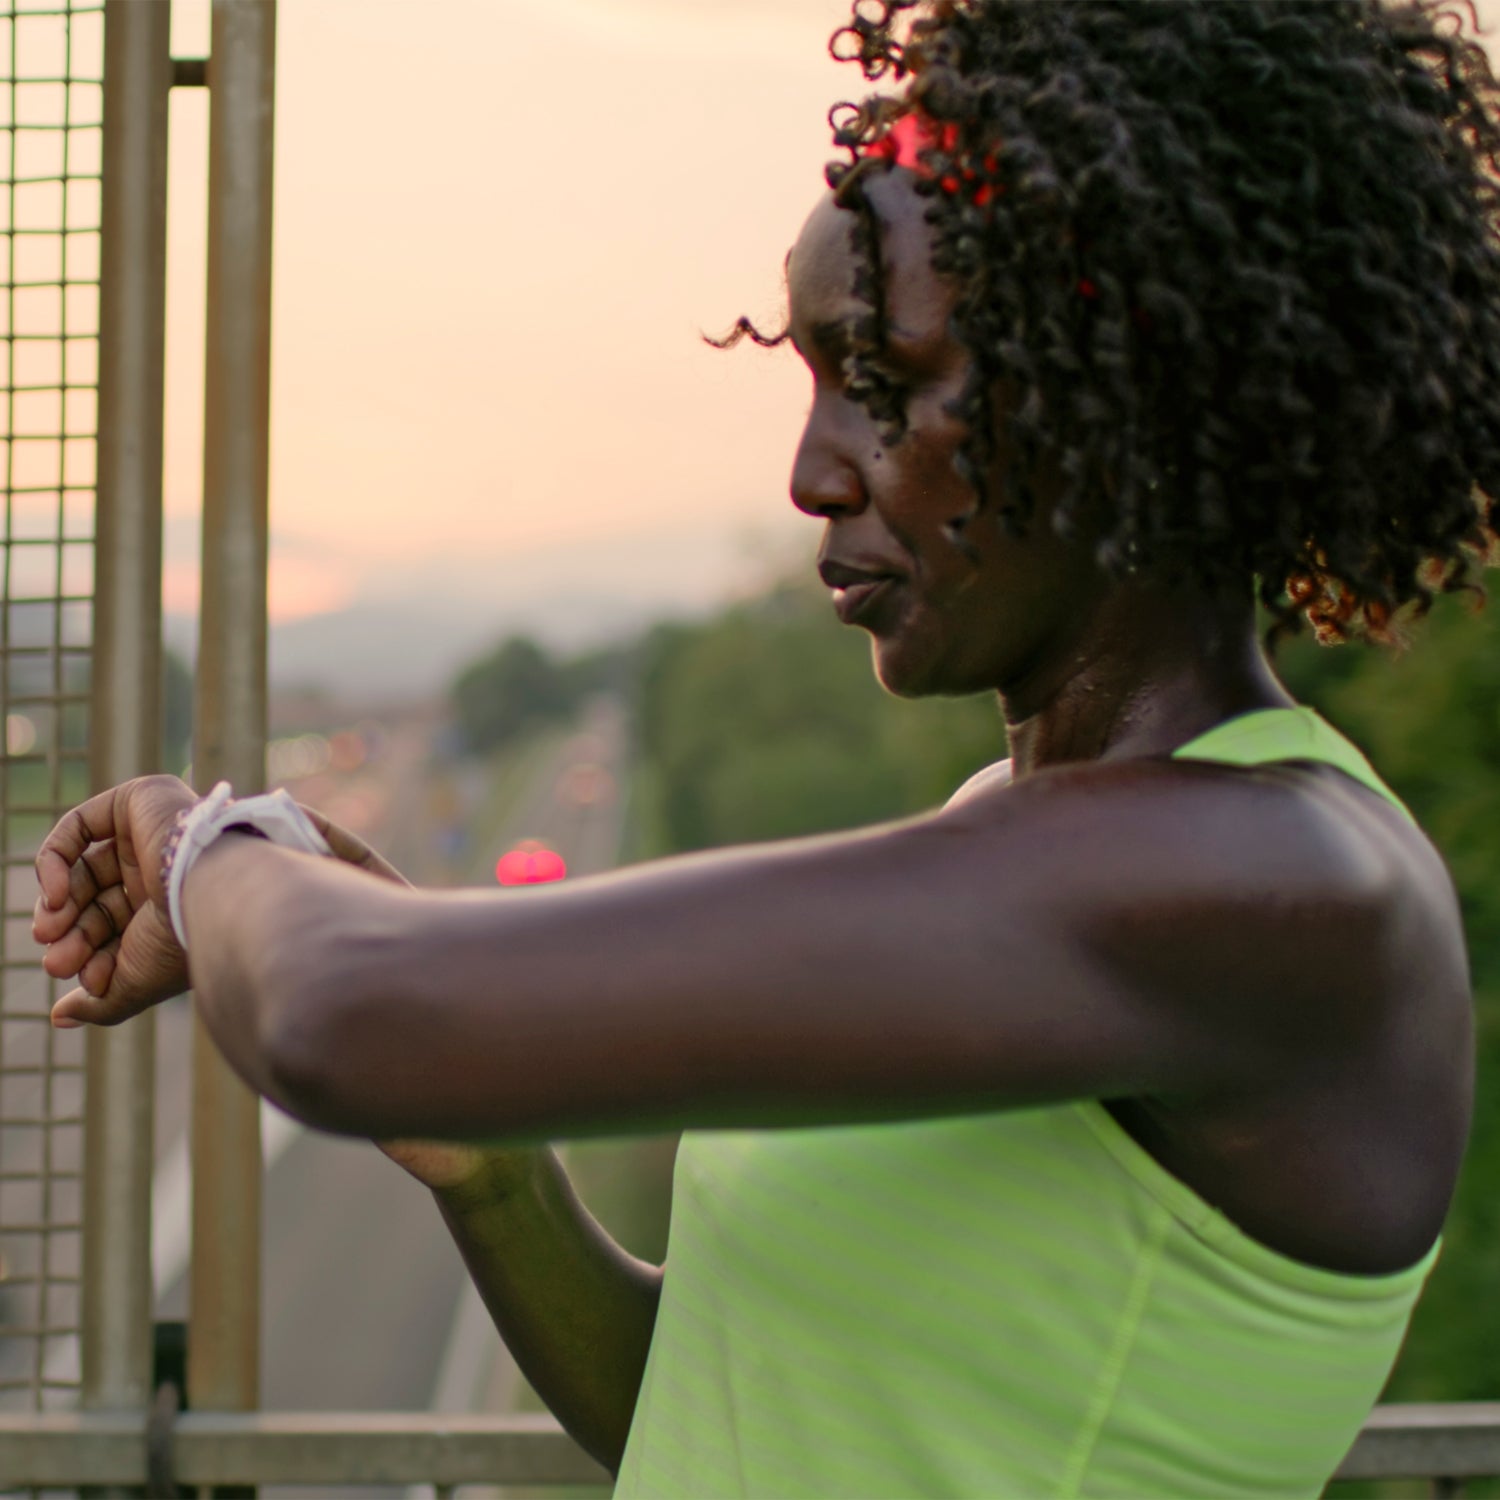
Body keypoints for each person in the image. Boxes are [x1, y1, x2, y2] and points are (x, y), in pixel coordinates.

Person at [31, 1, 1500, 1494]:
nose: (812, 473)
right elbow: (714, 1410)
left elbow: (348, 1012)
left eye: (888, 379)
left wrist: (204, 843)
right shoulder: (1031, 830)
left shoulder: (1276, 881)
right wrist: (490, 1167)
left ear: (1132, 393)